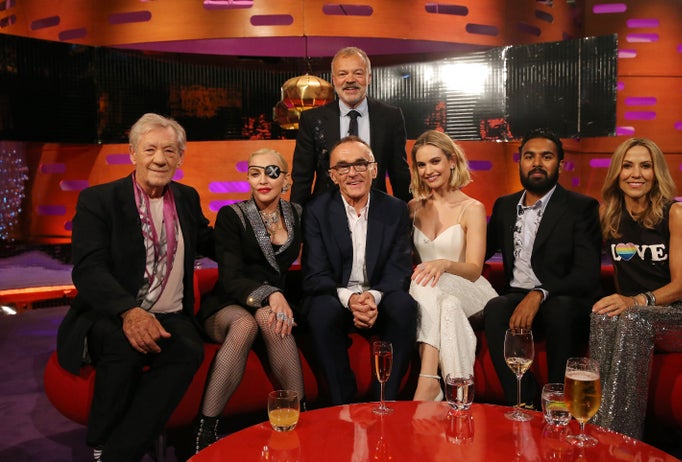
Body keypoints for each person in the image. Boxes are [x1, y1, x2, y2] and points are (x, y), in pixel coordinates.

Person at [56, 113, 214, 462]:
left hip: (171, 314)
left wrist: (262, 225)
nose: (160, 159)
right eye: (151, 149)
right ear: (133, 154)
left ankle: (114, 453)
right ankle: (105, 441)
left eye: (169, 151)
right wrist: (129, 311)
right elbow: (88, 268)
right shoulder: (99, 200)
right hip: (112, 311)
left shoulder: (186, 198)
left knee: (188, 350)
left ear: (180, 157)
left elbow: (209, 241)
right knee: (124, 347)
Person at [589, 138, 682, 439]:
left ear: (656, 172)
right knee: (603, 315)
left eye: (645, 166)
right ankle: (592, 426)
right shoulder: (608, 217)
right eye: (628, 165)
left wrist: (634, 302)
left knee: (633, 319)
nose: (637, 174)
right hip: (646, 314)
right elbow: (623, 277)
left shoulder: (677, 213)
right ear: (617, 173)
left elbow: (681, 286)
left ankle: (621, 440)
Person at [193, 148, 305, 452]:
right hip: (229, 303)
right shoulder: (233, 215)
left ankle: (301, 419)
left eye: (271, 172)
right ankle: (205, 430)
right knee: (244, 325)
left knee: (272, 319)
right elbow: (230, 278)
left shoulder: (296, 213)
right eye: (255, 173)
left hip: (271, 309)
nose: (262, 180)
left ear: (286, 178)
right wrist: (273, 293)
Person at [484, 128, 603, 408]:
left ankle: (558, 402)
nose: (537, 163)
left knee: (558, 310)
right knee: (496, 308)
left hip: (565, 297)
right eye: (529, 156)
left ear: (560, 164)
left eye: (546, 156)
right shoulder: (504, 205)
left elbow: (586, 274)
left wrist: (540, 293)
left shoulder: (581, 207)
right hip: (517, 295)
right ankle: (524, 402)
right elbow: (479, 253)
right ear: (520, 162)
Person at [301, 135, 417, 405]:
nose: (352, 173)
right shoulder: (317, 210)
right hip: (336, 295)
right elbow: (315, 274)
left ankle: (385, 400)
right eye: (342, 167)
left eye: (360, 164)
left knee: (404, 305)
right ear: (332, 175)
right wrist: (351, 299)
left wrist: (373, 297)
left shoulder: (394, 209)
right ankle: (343, 403)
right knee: (321, 310)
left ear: (374, 169)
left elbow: (399, 268)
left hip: (378, 295)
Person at [407, 130, 498, 401]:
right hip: (434, 293)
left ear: (452, 161)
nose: (428, 170)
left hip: (472, 289)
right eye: (421, 165)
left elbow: (474, 269)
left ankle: (428, 377)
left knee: (425, 277)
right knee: (447, 305)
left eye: (435, 161)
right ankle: (460, 396)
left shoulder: (472, 208)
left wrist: (444, 263)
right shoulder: (412, 208)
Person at [290, 46, 411, 206]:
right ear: (334, 79)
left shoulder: (390, 117)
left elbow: (399, 174)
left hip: (377, 213)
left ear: (369, 78)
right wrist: (297, 223)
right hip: (325, 215)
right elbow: (301, 178)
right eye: (343, 74)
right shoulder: (311, 119)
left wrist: (407, 217)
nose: (350, 79)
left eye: (358, 73)